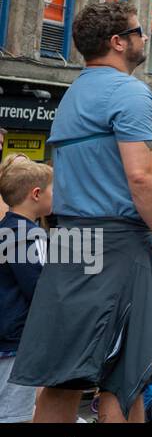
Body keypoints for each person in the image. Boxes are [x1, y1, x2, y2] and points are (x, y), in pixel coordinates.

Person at [14, 6, 152, 421]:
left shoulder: (75, 92)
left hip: (72, 237)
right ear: (118, 42)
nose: (145, 38)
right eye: (139, 31)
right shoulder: (129, 92)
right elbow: (142, 177)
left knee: (62, 376)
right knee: (125, 379)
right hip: (116, 240)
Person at [0, 155, 51, 423]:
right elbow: (40, 289)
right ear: (36, 194)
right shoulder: (29, 235)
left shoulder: (6, 228)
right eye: (52, 189)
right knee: (13, 416)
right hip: (15, 341)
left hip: (7, 334)